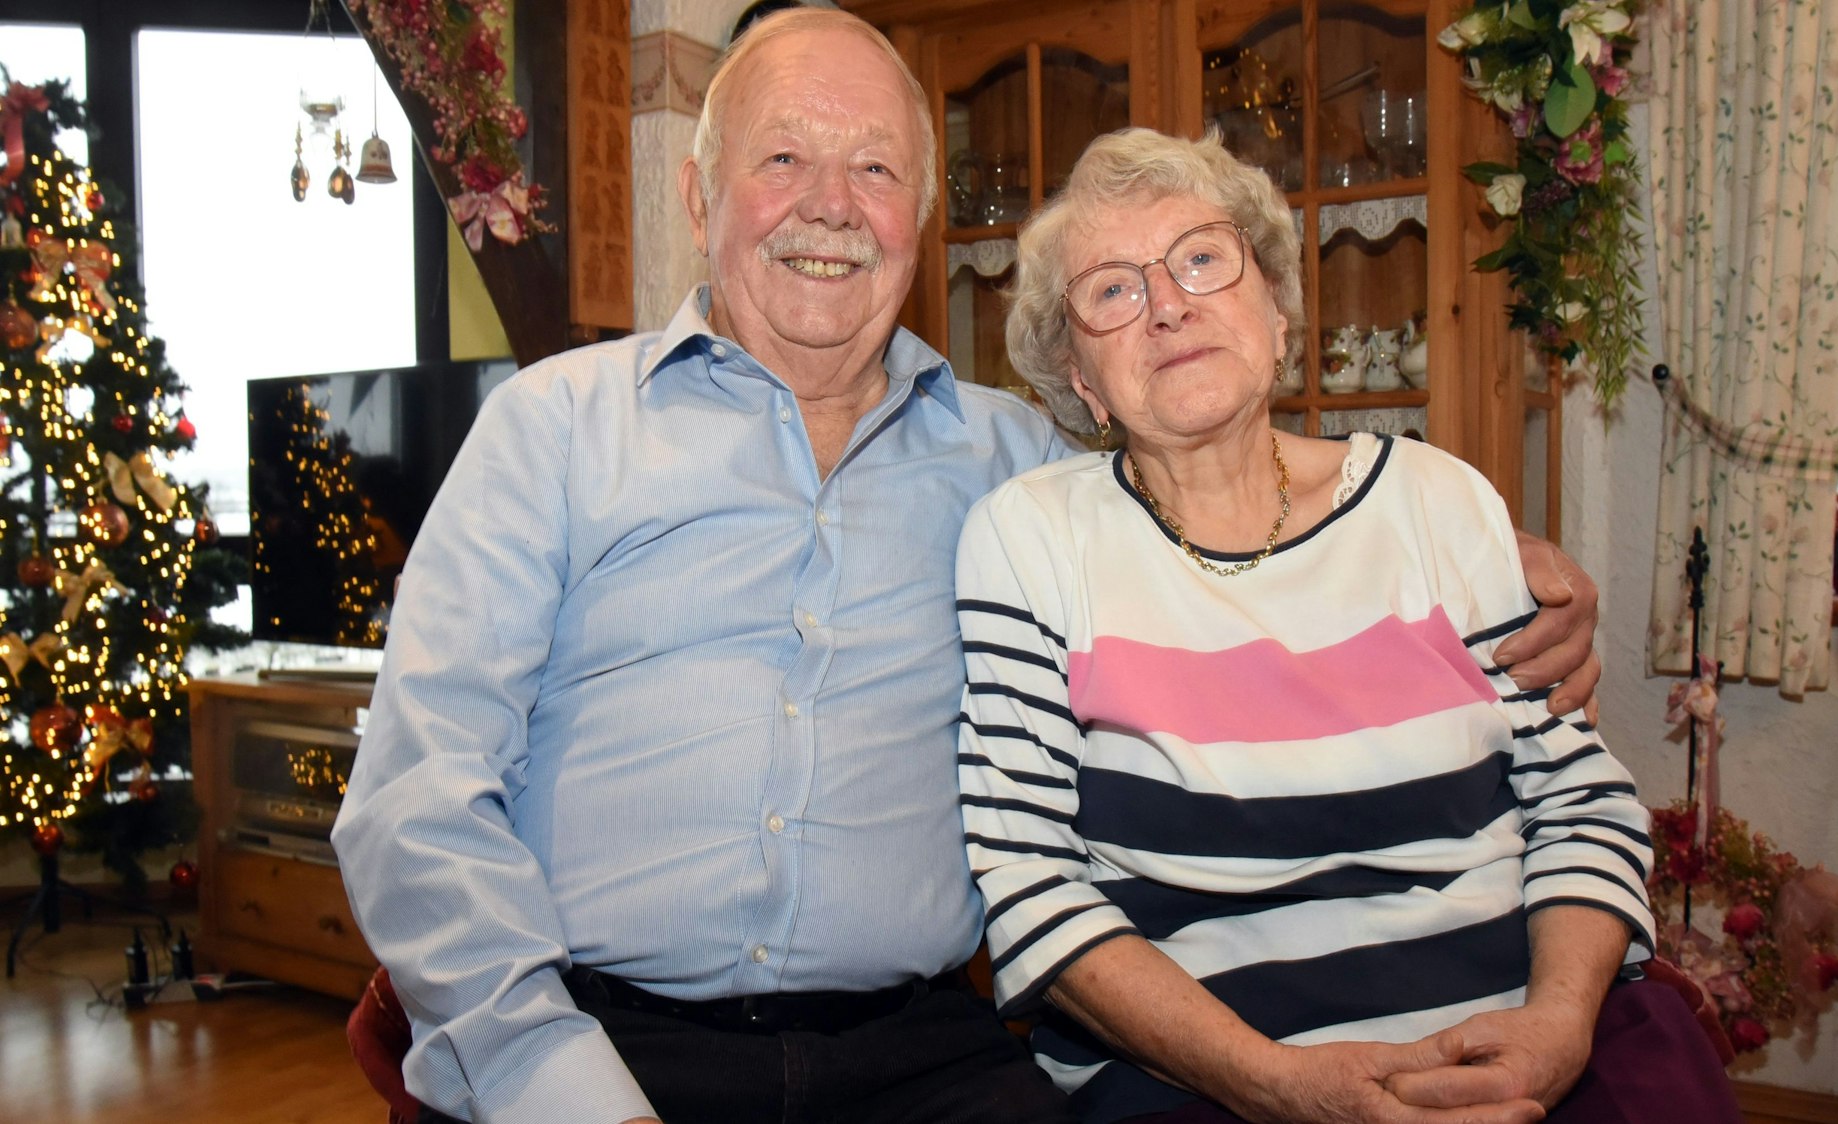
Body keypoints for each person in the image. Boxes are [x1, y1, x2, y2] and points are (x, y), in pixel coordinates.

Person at [331, 11, 1606, 1124]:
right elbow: (414, 801)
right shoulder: (553, 428)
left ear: (921, 214)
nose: (831, 204)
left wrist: (1496, 561)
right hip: (598, 1035)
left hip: (914, 1058)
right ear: (699, 194)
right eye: (784, 159)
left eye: (875, 167)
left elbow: (1221, 491)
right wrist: (562, 1087)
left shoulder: (1024, 468)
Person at [955, 128, 1740, 1124]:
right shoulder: (1032, 538)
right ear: (1080, 378)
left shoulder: (1437, 499)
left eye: (1203, 258)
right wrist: (1272, 1082)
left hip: (1514, 1030)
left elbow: (1580, 802)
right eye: (1112, 290)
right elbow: (1028, 879)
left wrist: (1556, 1023)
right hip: (1203, 1074)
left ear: (1278, 312)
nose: (1168, 304)